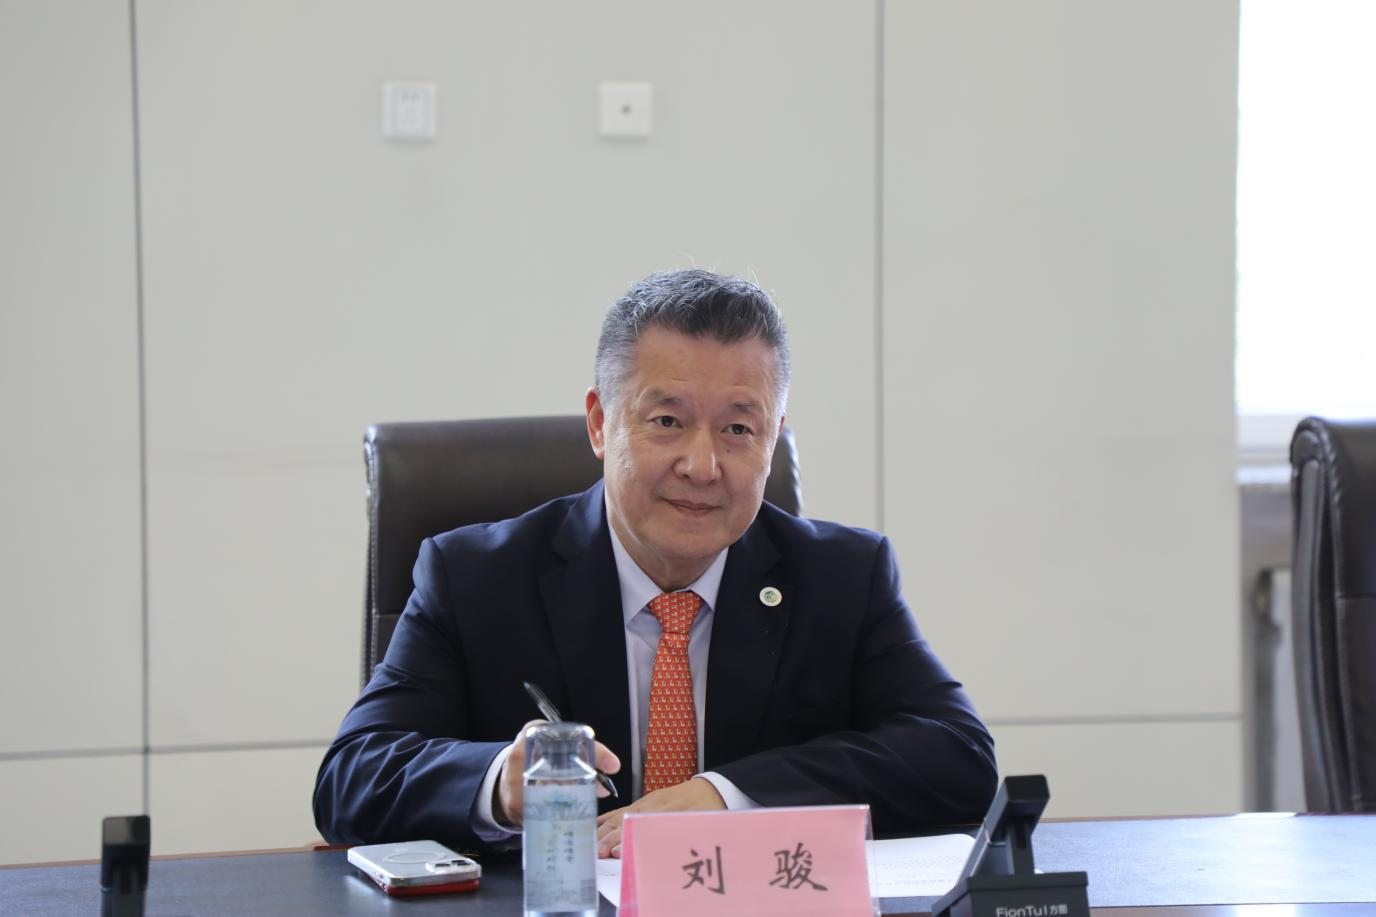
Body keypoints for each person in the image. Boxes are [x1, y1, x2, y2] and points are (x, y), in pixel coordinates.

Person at [313, 269, 996, 855]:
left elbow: (958, 753)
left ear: (774, 438)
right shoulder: (475, 577)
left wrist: (725, 796)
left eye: (738, 428)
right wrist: (499, 782)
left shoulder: (842, 576)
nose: (702, 465)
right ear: (599, 423)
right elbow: (352, 777)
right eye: (667, 421)